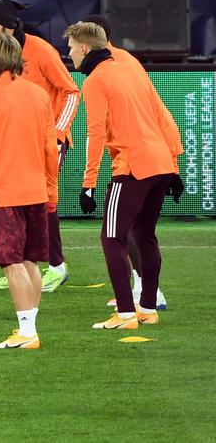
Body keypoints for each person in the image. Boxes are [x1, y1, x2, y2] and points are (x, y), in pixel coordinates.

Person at [64, 22, 183, 330]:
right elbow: (161, 112)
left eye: (71, 47)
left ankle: (126, 314)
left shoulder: (95, 81)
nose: (68, 52)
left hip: (132, 167)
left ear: (85, 48)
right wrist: (174, 162)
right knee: (145, 235)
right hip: (160, 164)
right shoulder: (130, 66)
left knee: (112, 237)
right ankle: (147, 308)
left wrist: (88, 183)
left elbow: (95, 134)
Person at [0, 0, 79, 293]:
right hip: (12, 142)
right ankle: (15, 265)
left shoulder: (41, 50)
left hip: (45, 140)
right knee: (5, 203)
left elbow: (71, 92)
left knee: (42, 200)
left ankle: (56, 268)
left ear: (8, 27)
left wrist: (58, 132)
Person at [0, 33, 58, 350]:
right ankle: (29, 328)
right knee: (31, 261)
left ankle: (26, 332)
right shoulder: (39, 95)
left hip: (5, 193)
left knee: (12, 264)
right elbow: (51, 148)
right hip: (36, 190)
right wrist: (52, 190)